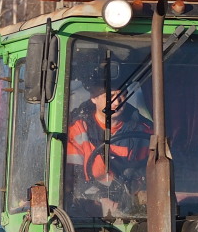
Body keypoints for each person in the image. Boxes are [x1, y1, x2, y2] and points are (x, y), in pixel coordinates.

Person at [66, 69, 153, 214]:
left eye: (122, 95)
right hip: (88, 209)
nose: (118, 102)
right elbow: (72, 180)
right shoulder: (77, 129)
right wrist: (99, 198)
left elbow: (151, 172)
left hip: (134, 207)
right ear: (94, 97)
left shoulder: (144, 130)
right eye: (111, 96)